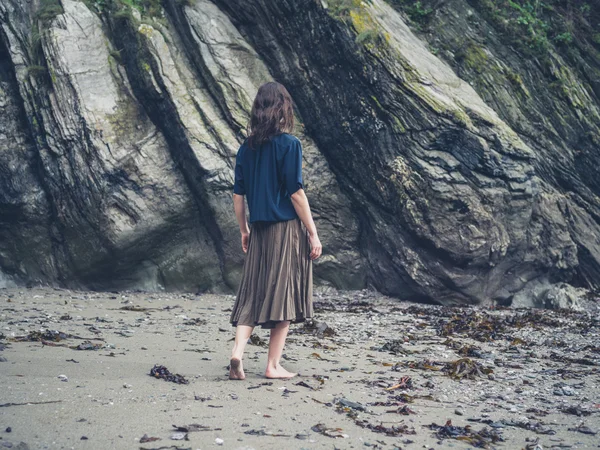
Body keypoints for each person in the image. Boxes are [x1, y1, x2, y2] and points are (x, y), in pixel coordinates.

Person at [228, 81, 322, 380]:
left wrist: (244, 230)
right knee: (283, 295)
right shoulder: (289, 145)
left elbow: (238, 196)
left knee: (252, 293)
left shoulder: (246, 148)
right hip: (285, 230)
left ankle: (237, 353)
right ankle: (272, 366)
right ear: (283, 107)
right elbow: (296, 192)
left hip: (258, 229)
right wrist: (313, 232)